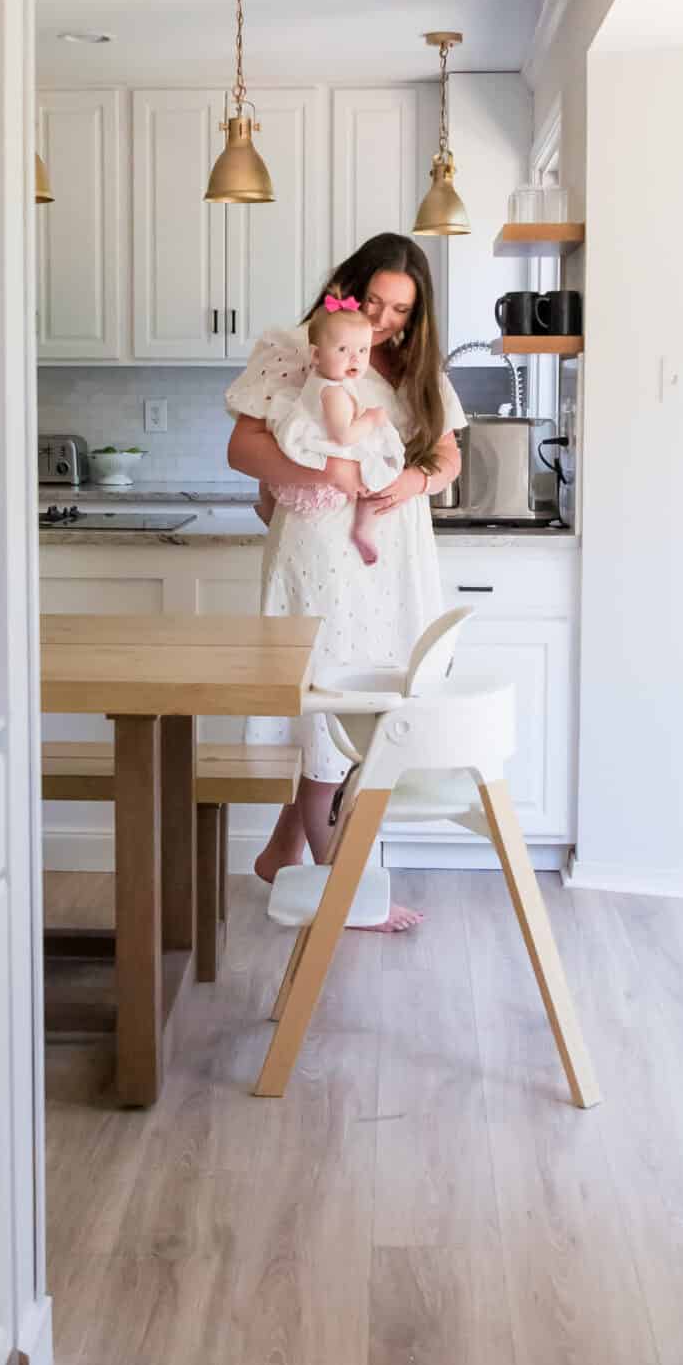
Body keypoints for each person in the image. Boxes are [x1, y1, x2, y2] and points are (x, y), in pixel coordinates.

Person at [225, 232, 465, 928]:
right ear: (346, 288)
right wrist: (330, 474)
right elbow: (243, 449)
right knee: (328, 701)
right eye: (374, 301)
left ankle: (281, 852)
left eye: (400, 311)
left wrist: (416, 479)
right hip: (321, 547)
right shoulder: (300, 347)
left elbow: (446, 456)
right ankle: (344, 888)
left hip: (396, 549)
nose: (385, 321)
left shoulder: (412, 367)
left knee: (365, 707)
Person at [262, 291, 403, 566]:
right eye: (343, 350)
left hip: (324, 436)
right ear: (316, 354)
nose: (355, 359)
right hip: (331, 443)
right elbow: (344, 435)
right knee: (375, 476)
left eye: (362, 350)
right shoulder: (332, 392)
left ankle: (266, 506)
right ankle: (363, 527)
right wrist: (373, 419)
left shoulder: (327, 380)